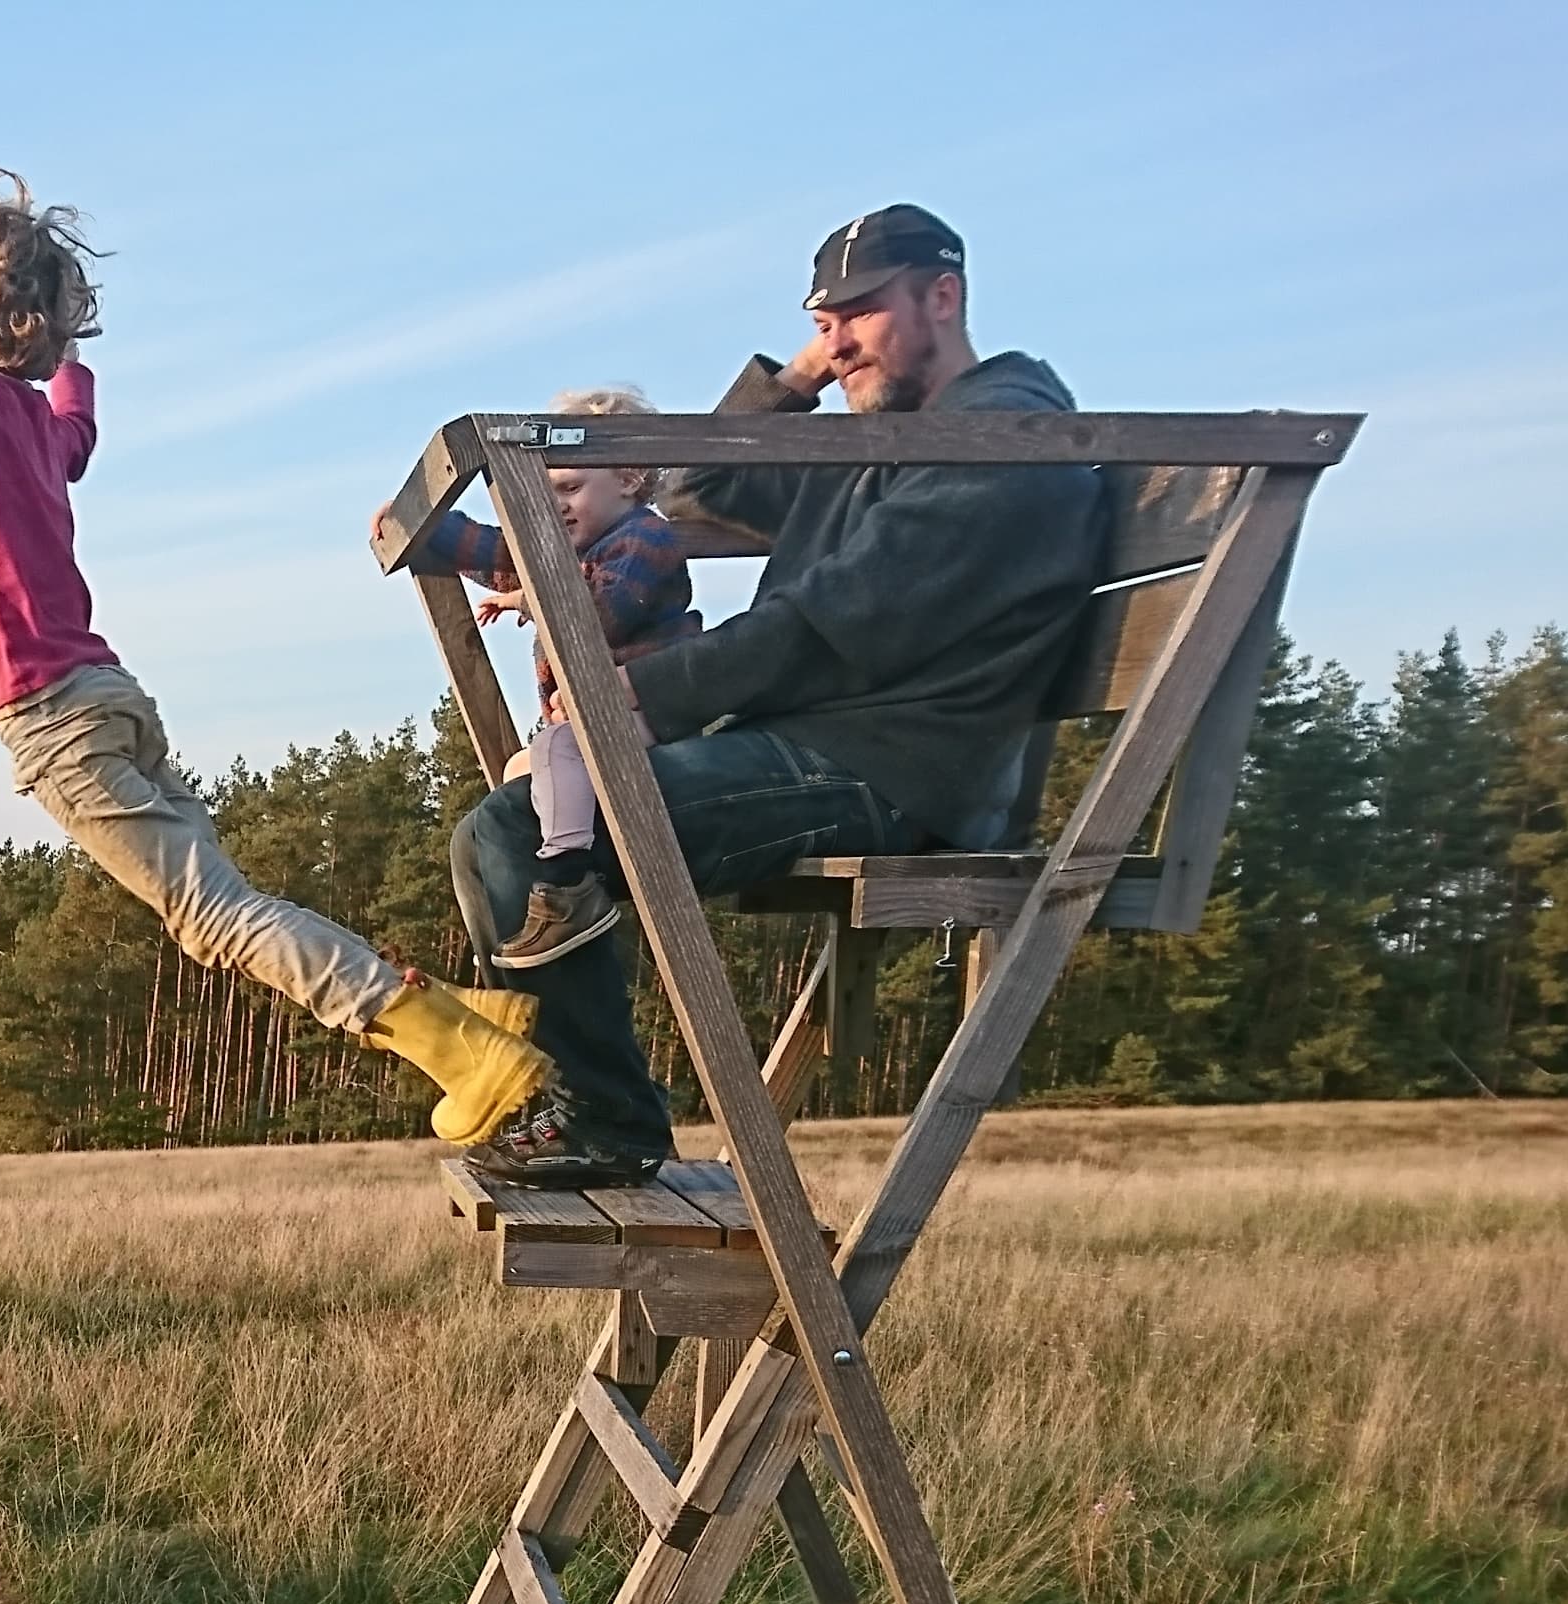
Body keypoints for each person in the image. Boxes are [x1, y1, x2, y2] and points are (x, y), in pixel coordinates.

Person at [0, 75, 550, 1145]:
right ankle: (466, 1019)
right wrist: (65, 355)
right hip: (110, 697)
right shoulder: (32, 428)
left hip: (57, 721)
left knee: (219, 919)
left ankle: (449, 1041)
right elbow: (76, 432)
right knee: (224, 905)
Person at [428, 205, 1105, 1187]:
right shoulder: (890, 438)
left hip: (894, 768)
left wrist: (644, 694)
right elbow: (703, 478)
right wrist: (795, 382)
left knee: (518, 834)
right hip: (823, 741)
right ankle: (564, 1100)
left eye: (860, 315)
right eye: (822, 322)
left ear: (943, 296)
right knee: (498, 831)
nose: (835, 341)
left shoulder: (1004, 440)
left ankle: (605, 1119)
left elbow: (840, 614)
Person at [411, 385, 700, 971]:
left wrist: (528, 596)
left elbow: (601, 611)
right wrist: (421, 526)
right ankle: (510, 932)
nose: (557, 506)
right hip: (592, 716)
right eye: (545, 495)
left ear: (629, 477)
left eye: (570, 488)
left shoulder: (646, 537)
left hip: (654, 705)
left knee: (564, 748)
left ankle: (567, 885)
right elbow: (496, 552)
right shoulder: (568, 553)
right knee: (517, 777)